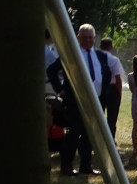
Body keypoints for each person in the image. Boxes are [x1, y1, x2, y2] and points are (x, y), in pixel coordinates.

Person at [46, 23, 113, 176]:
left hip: (95, 101)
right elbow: (52, 70)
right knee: (74, 132)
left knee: (90, 134)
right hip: (75, 101)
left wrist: (104, 91)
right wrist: (60, 90)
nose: (88, 40)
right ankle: (66, 166)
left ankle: (86, 165)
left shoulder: (101, 55)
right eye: (85, 37)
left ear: (95, 38)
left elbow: (106, 73)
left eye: (91, 37)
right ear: (78, 38)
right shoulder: (71, 55)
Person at [99, 38, 125, 140]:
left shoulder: (97, 58)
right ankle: (111, 141)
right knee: (112, 119)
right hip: (112, 89)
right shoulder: (114, 59)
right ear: (111, 47)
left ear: (101, 46)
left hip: (99, 88)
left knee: (99, 117)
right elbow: (118, 78)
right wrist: (119, 92)